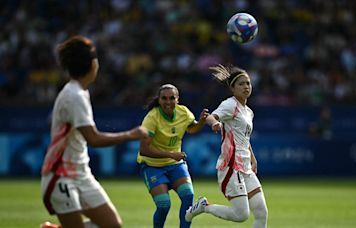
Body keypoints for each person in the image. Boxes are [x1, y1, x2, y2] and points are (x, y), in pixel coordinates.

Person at [40, 35, 148, 228]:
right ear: (92, 65)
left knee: (112, 225)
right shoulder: (74, 96)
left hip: (81, 173)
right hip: (61, 176)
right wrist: (130, 135)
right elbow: (94, 139)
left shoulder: (79, 92)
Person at [185, 64, 268, 227]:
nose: (246, 87)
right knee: (241, 215)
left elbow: (244, 138)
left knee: (261, 212)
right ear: (232, 88)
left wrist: (253, 158)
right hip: (231, 166)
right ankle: (204, 207)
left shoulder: (249, 111)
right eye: (241, 84)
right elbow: (210, 116)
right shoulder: (230, 104)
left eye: (248, 83)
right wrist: (215, 123)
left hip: (246, 167)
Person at [137, 84, 209, 228]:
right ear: (159, 100)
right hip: (152, 166)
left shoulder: (184, 113)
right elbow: (144, 150)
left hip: (175, 165)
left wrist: (201, 122)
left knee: (188, 195)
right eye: (164, 98)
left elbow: (191, 128)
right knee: (164, 205)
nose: (168, 102)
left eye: (172, 98)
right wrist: (171, 154)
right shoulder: (152, 118)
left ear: (177, 99)